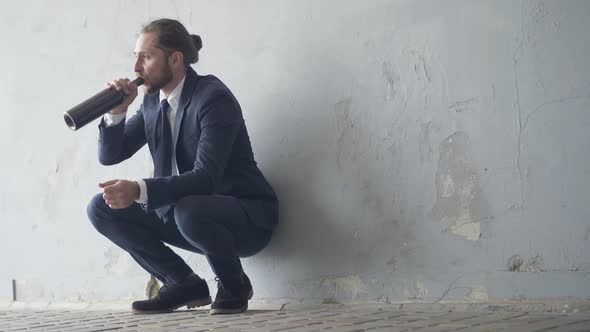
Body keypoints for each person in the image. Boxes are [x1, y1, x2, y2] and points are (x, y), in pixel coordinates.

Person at [86, 18, 278, 315]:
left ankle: (234, 284)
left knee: (187, 208)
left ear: (175, 59)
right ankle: (182, 283)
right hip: (185, 212)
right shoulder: (152, 101)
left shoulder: (212, 98)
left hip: (246, 216)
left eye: (146, 57)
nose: (136, 67)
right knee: (101, 207)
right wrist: (117, 112)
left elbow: (206, 179)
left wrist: (139, 189)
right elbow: (112, 155)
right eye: (135, 56)